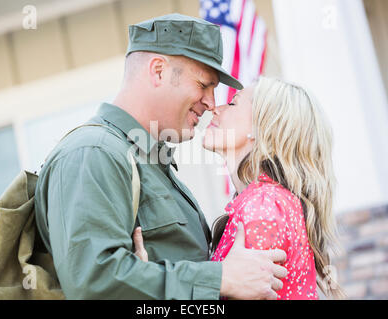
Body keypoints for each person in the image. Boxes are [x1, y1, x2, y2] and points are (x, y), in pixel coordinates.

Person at [34, 13, 287, 300]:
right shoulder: (93, 153)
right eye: (204, 85)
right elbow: (93, 282)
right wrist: (219, 278)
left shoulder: (149, 161)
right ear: (158, 71)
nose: (211, 104)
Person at [134, 77, 345, 299]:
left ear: (262, 128)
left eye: (233, 103)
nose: (215, 109)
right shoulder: (266, 202)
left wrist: (148, 286)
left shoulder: (264, 208)